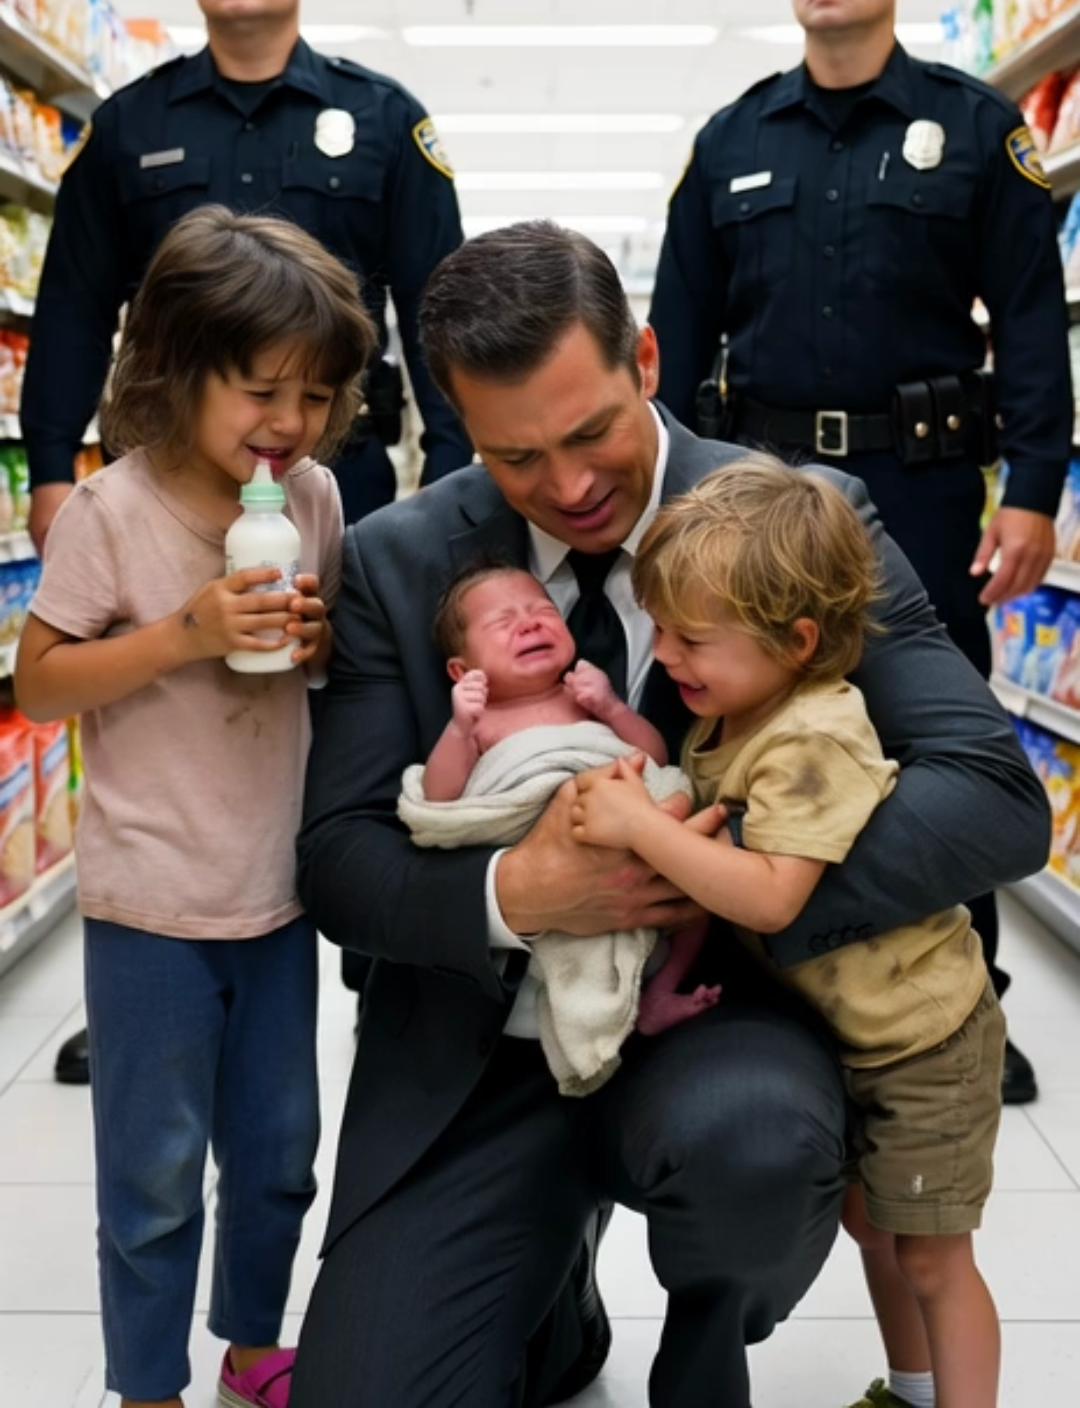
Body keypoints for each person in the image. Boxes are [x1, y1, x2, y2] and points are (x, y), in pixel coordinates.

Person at [291, 219, 1048, 1408]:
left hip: (719, 1017)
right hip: (477, 1042)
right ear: (456, 421)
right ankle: (553, 1300)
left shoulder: (805, 517)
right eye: (517, 458)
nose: (573, 486)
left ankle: (707, 1329)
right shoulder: (396, 560)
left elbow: (994, 798)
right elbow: (338, 861)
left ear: (646, 357)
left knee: (758, 1154)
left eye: (590, 431)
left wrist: (721, 872)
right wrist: (513, 894)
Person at [24, 0, 471, 1084]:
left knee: (368, 727)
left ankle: (387, 973)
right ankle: (147, 974)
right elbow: (70, 308)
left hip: (350, 487)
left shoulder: (385, 122)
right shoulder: (131, 125)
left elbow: (439, 311)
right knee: (168, 735)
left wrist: (463, 494)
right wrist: (55, 468)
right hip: (163, 490)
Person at [649, 0, 1074, 1115]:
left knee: (939, 742)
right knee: (747, 729)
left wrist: (1035, 488)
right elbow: (673, 334)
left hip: (928, 483)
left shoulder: (979, 131)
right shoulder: (732, 141)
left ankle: (967, 1012)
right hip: (761, 498)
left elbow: (1036, 324)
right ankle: (760, 1001)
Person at [13, 206, 376, 1408]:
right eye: (263, 391)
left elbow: (319, 677)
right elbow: (40, 681)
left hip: (274, 897)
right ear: (176, 362)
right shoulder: (112, 513)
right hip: (148, 908)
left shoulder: (312, 499)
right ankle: (145, 1383)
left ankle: (254, 1344)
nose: (291, 426)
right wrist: (180, 635)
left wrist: (316, 644)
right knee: (154, 1169)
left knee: (277, 1157)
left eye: (317, 397)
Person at [571, 453, 1005, 1408]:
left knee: (933, 1255)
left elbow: (770, 898)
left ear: (799, 639)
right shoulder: (732, 711)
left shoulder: (812, 732)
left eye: (691, 638)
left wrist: (642, 828)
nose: (668, 656)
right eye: (662, 630)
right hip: (857, 1035)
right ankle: (914, 1388)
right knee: (875, 1229)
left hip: (926, 1040)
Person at [399, 561, 717, 1095]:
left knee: (701, 889)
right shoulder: (480, 725)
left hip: (629, 833)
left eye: (544, 610)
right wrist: (459, 728)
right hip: (549, 860)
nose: (530, 623)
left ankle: (660, 990)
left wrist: (612, 707)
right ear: (461, 672)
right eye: (503, 622)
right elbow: (441, 797)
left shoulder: (583, 700)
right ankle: (572, 1008)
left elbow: (651, 758)